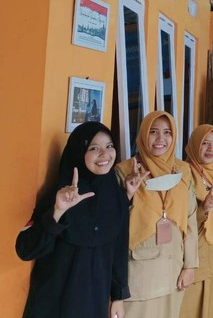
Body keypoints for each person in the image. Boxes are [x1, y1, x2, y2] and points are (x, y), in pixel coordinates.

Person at [17, 122, 130, 318]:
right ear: (79, 152)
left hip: (94, 302)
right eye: (94, 148)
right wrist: (58, 212)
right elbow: (25, 250)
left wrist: (118, 297)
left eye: (109, 146)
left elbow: (119, 250)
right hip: (53, 304)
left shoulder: (117, 196)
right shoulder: (61, 195)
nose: (105, 154)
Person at [115, 111, 198, 318]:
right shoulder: (124, 171)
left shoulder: (183, 170)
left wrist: (190, 266)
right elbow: (114, 222)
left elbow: (190, 220)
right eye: (153, 132)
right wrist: (127, 191)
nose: (161, 139)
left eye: (167, 132)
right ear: (143, 135)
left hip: (173, 268)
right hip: (139, 272)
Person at [180, 124, 213, 318]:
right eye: (205, 143)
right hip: (197, 253)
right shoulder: (184, 174)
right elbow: (180, 220)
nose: (211, 149)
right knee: (193, 307)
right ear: (194, 144)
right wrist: (205, 207)